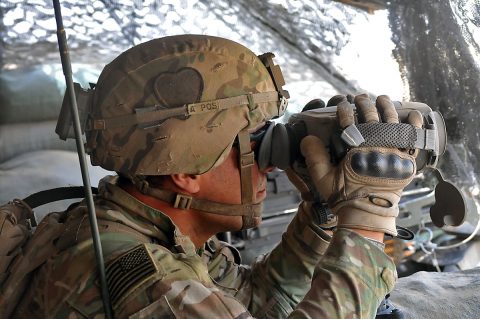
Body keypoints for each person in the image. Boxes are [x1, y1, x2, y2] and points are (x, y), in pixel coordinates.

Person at [14, 35, 422, 318]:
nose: (269, 164)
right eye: (252, 144)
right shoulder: (140, 276)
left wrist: (322, 212)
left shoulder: (160, 230)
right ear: (186, 169)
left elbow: (263, 302)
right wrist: (367, 221)